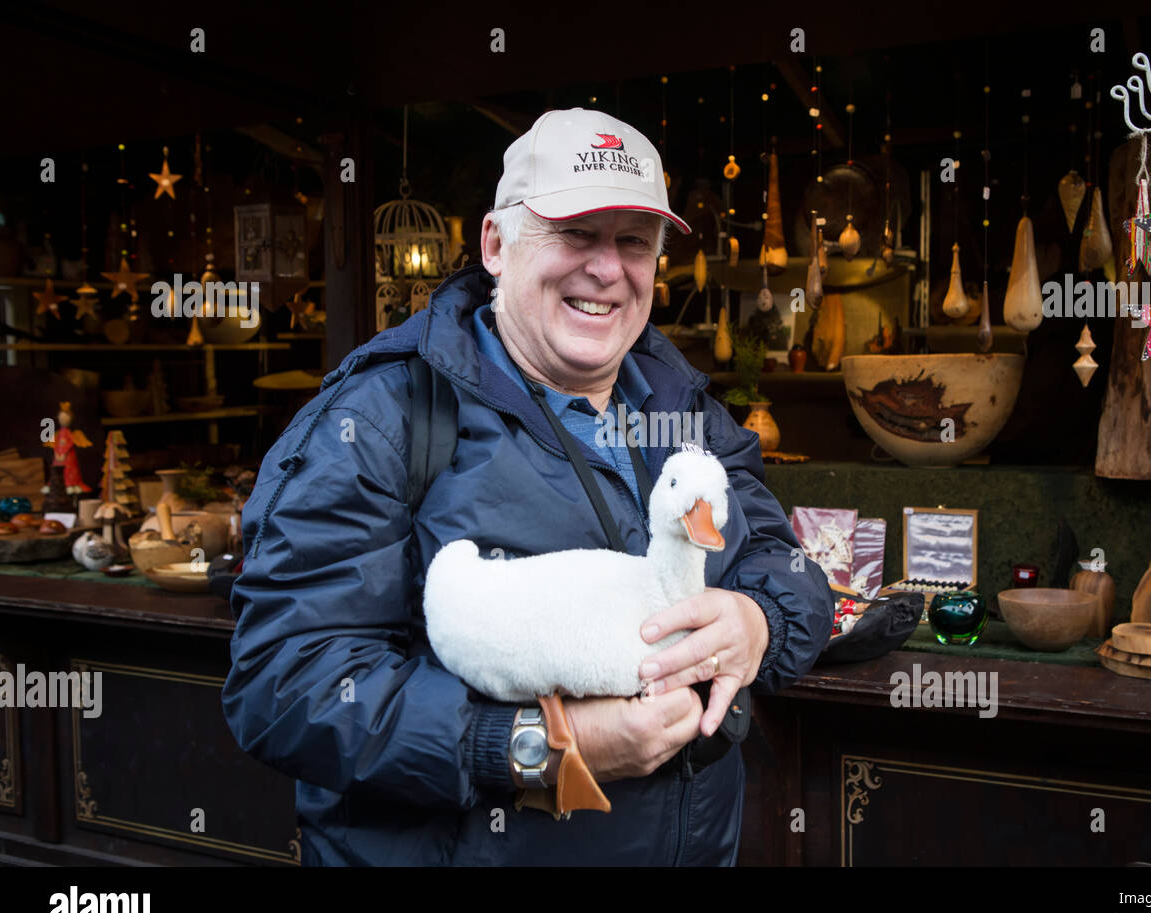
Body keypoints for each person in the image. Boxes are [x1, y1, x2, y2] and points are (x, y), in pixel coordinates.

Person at [223, 107, 833, 865]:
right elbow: (284, 684)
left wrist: (758, 619)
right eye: (575, 233)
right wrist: (537, 745)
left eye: (633, 242)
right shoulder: (384, 419)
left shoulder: (680, 408)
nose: (606, 268)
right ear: (495, 244)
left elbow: (789, 564)